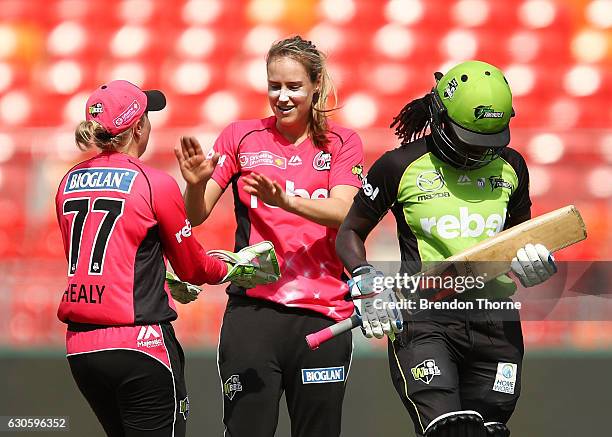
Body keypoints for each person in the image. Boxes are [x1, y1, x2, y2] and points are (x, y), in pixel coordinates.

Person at [335, 60, 557, 437]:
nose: (478, 155)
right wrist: (364, 278)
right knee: (450, 431)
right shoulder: (398, 166)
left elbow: (521, 239)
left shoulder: (513, 167)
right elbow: (349, 233)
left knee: (488, 432)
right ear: (439, 116)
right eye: (470, 140)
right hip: (424, 320)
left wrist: (534, 263)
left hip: (496, 323)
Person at [55, 80, 278, 437]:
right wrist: (235, 267)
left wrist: (163, 278)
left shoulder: (67, 181)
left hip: (80, 348)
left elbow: (112, 260)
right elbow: (195, 267)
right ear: (139, 126)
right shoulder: (153, 182)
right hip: (140, 345)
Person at [174, 35, 364, 437]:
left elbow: (346, 211)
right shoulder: (240, 136)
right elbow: (196, 213)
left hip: (324, 316)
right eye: (274, 85)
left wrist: (287, 201)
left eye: (294, 86)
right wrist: (193, 184)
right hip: (253, 314)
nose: (282, 96)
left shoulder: (344, 142)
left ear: (316, 84)